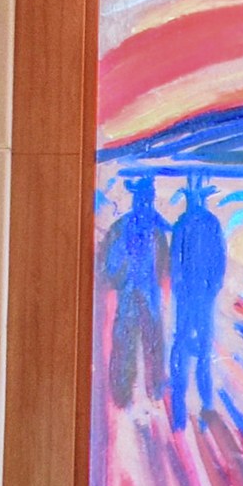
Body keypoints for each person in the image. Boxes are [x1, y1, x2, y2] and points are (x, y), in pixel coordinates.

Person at [100, 173, 168, 408]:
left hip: (149, 295)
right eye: (143, 199)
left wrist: (154, 282)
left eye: (149, 199)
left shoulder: (156, 229)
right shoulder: (120, 228)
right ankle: (122, 394)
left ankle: (156, 389)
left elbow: (163, 263)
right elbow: (107, 263)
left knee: (154, 342)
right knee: (125, 342)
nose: (146, 204)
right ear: (136, 199)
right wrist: (122, 279)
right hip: (129, 295)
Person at [168, 173, 226, 431]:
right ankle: (181, 410)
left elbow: (219, 259)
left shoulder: (207, 223)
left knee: (200, 350)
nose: (194, 203)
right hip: (191, 295)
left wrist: (212, 287)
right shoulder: (183, 223)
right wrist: (182, 288)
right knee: (183, 346)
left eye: (196, 199)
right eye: (192, 199)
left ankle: (204, 407)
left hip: (201, 294)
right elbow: (175, 261)